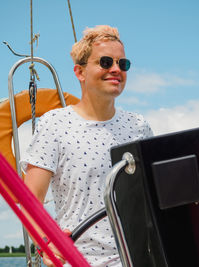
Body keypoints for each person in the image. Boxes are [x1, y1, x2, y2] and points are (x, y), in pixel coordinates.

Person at [20, 25, 153, 267]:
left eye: (123, 64)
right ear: (80, 72)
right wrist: (44, 243)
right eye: (105, 62)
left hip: (135, 260)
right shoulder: (55, 125)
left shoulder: (138, 126)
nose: (116, 69)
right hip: (77, 260)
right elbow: (30, 200)